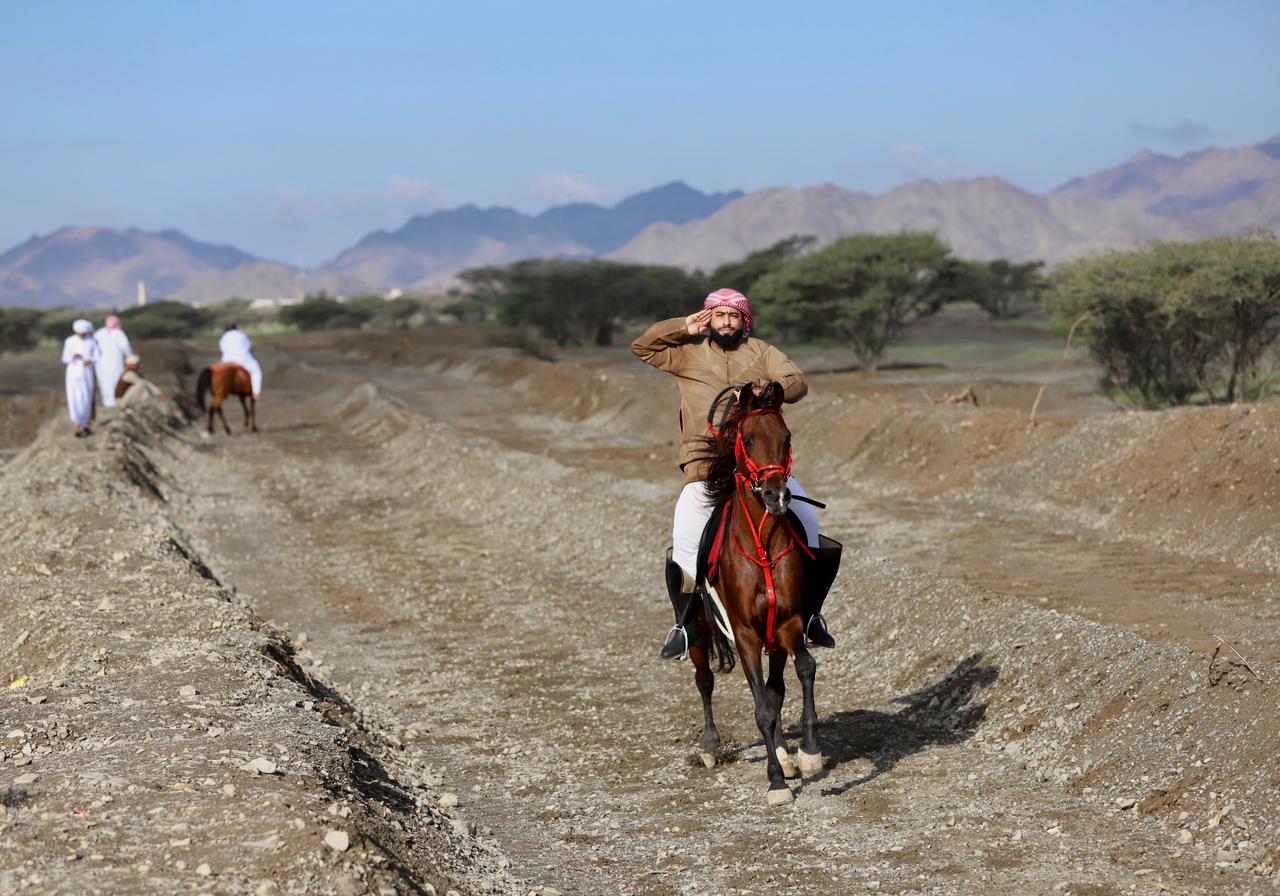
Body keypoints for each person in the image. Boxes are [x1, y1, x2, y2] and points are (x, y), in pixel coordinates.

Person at [632, 288, 838, 659]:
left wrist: (771, 388)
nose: (727, 322)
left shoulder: (761, 352)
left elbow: (798, 381)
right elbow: (642, 347)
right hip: (705, 464)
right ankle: (685, 624)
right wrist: (682, 327)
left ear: (744, 320)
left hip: (760, 465)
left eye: (734, 316)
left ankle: (810, 616)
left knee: (808, 519)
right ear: (708, 318)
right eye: (720, 315)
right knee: (685, 536)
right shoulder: (686, 353)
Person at [62, 319, 100, 437]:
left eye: (84, 333)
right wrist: (73, 356)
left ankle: (84, 424)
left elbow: (97, 356)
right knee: (75, 398)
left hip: (87, 373)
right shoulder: (69, 341)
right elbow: (65, 358)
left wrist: (91, 361)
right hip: (73, 373)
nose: (82, 335)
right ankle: (78, 424)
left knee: (86, 398)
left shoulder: (91, 341)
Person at [93, 314, 133, 408]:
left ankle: (108, 402)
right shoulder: (118, 333)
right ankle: (116, 401)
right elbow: (126, 347)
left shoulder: (99, 333)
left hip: (101, 363)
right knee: (116, 381)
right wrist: (131, 357)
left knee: (105, 382)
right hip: (115, 362)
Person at [218, 323, 262, 400]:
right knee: (256, 372)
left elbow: (222, 348)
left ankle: (220, 391)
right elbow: (248, 346)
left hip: (227, 360)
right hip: (243, 359)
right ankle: (256, 393)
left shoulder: (224, 336)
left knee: (219, 373)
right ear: (236, 328)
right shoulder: (241, 334)